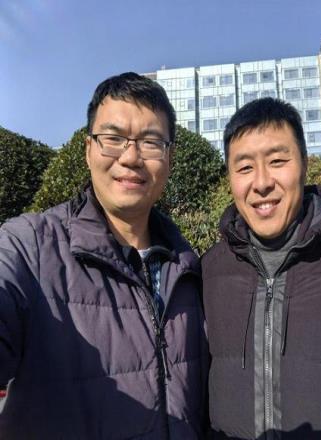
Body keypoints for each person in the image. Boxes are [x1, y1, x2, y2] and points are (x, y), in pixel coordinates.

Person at [0, 72, 208, 439]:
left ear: (169, 158)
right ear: (88, 150)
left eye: (150, 142)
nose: (130, 157)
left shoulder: (188, 267)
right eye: (113, 139)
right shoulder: (29, 247)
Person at [202, 97, 321, 439]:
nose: (262, 182)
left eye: (277, 161)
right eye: (244, 168)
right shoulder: (210, 272)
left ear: (304, 164)